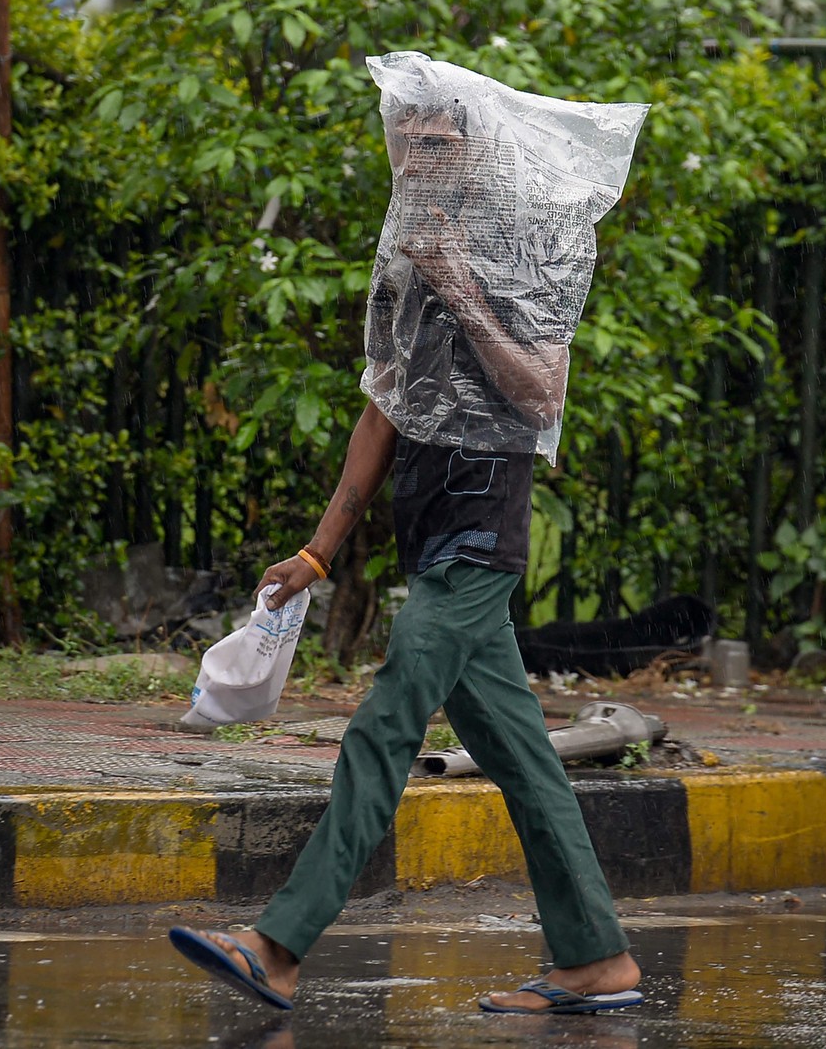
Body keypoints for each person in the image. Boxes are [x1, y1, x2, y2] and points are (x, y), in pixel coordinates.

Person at [168, 100, 642, 1019]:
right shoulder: (403, 267)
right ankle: (596, 958)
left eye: (438, 143)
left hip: (479, 544)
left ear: (475, 153)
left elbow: (542, 393)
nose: (418, 157)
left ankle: (278, 944)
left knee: (384, 729)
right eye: (409, 142)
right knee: (527, 763)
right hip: (432, 545)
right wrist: (319, 547)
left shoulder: (519, 252)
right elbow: (382, 407)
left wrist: (463, 284)